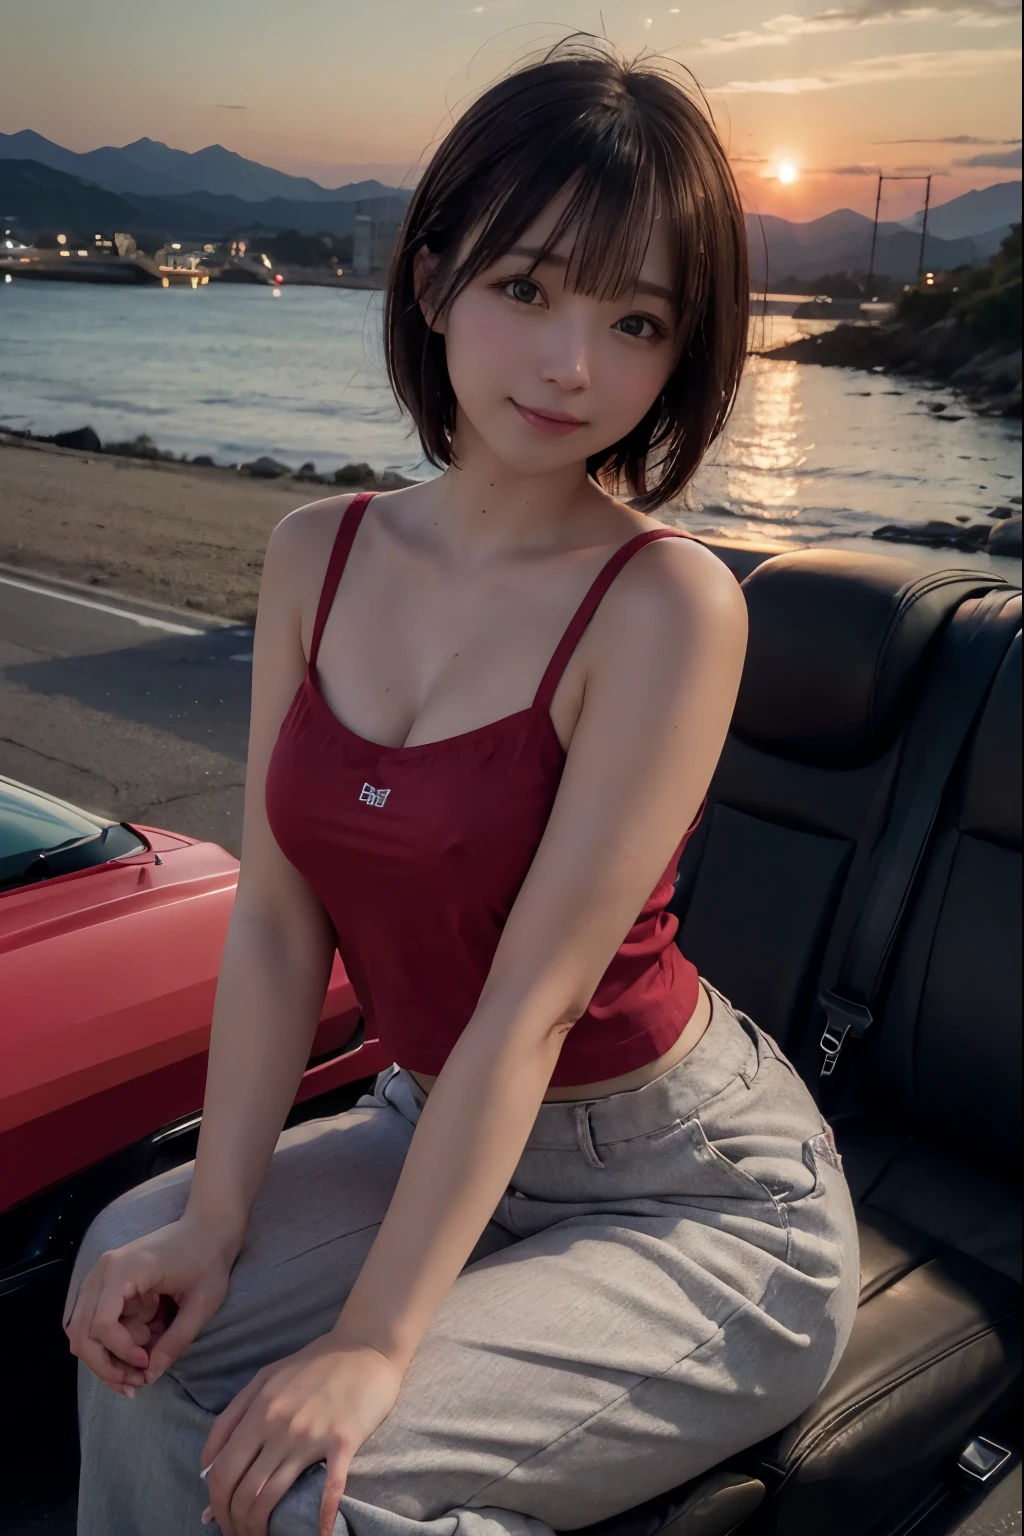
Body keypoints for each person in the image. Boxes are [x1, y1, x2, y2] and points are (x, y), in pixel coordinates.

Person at [66, 40, 860, 1536]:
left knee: (316, 1483)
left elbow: (534, 1003)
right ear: (432, 283)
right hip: (435, 1122)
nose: (573, 365)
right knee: (137, 1276)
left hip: (687, 1186)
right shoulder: (320, 551)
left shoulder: (667, 608)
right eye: (526, 290)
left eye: (635, 322)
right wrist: (220, 1220)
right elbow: (279, 931)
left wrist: (371, 1345)